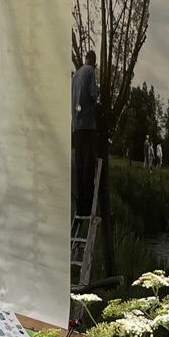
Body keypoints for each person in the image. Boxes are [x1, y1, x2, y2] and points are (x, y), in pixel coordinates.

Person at [72, 47, 99, 215]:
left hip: (76, 126)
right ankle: (88, 206)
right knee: (89, 166)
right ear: (93, 62)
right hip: (87, 124)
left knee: (79, 166)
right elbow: (93, 95)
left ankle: (79, 205)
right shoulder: (90, 71)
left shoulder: (75, 75)